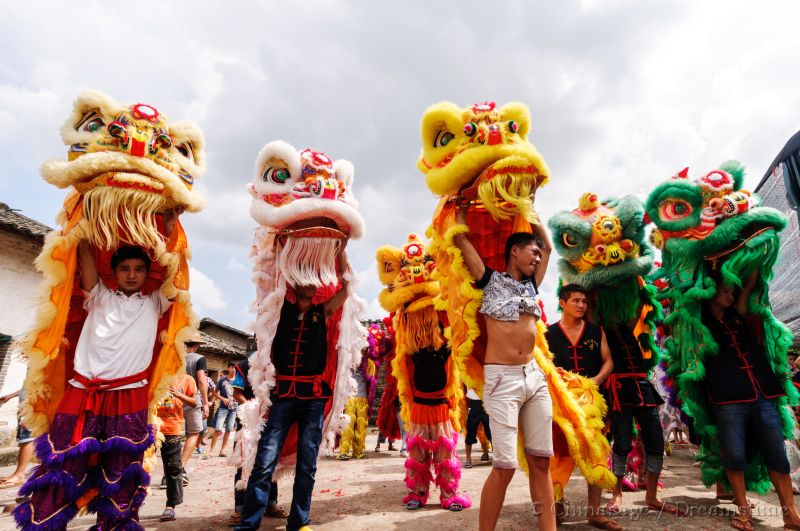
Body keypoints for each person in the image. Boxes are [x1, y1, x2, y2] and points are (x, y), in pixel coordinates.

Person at [14, 243, 172, 530]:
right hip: (83, 391)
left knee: (122, 470)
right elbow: (85, 254)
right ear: (113, 272)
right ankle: (44, 524)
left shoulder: (155, 302)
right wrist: (84, 228)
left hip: (130, 394)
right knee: (63, 464)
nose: (132, 275)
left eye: (139, 269)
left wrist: (171, 227)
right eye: (125, 269)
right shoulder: (98, 295)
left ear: (148, 274)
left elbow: (175, 267)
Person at [453, 205, 556, 531]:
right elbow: (461, 240)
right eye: (532, 252)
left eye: (539, 255)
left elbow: (549, 246)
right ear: (515, 250)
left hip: (534, 377)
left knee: (541, 461)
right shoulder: (488, 279)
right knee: (505, 466)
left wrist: (530, 206)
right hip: (502, 380)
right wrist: (460, 208)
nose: (538, 258)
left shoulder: (532, 286)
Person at [234, 245, 351, 531]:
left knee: (307, 463)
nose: (311, 282)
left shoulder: (323, 311)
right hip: (283, 396)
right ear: (294, 280)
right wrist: (280, 247)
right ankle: (249, 523)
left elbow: (347, 286)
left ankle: (299, 522)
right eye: (305, 276)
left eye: (315, 276)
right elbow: (269, 278)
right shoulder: (278, 310)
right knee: (264, 461)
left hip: (313, 397)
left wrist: (339, 250)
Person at [702, 274, 800, 531]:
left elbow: (746, 290)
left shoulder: (738, 314)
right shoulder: (699, 322)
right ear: (711, 292)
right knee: (734, 454)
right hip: (727, 396)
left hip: (762, 392)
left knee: (777, 453)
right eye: (726, 291)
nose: (731, 295)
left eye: (733, 291)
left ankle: (790, 515)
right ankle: (743, 511)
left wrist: (757, 255)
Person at [545, 284, 620, 530]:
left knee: (595, 454)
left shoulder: (596, 331)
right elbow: (543, 368)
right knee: (558, 455)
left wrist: (596, 381)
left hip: (591, 404)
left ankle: (595, 513)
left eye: (584, 302)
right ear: (562, 302)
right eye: (576, 301)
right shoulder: (548, 333)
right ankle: (555, 505)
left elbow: (608, 361)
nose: (581, 305)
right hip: (560, 406)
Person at [227, 358, 286, 526]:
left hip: (270, 420)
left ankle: (270, 504)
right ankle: (240, 509)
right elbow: (237, 393)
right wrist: (253, 410)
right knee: (244, 463)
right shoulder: (243, 366)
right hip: (247, 421)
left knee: (271, 462)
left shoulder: (276, 362)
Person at [156, 372, 197, 522]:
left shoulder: (187, 379)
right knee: (140, 467)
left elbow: (194, 402)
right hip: (150, 427)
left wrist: (178, 395)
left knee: (173, 467)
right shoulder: (155, 373)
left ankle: (170, 505)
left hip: (172, 428)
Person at [181, 335, 209, 480]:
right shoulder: (199, 358)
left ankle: (169, 472)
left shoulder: (176, 356)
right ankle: (180, 468)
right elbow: (201, 381)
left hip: (173, 398)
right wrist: (205, 403)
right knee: (194, 433)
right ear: (197, 345)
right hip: (192, 398)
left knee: (172, 436)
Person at [0, 388, 34, 489]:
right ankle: (18, 473)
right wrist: (12, 395)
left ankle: (19, 474)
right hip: (27, 402)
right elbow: (29, 382)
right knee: (24, 437)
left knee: (27, 437)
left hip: (33, 403)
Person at [211, 363, 238, 457]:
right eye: (232, 367)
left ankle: (222, 451)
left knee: (229, 429)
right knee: (218, 429)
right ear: (229, 368)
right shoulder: (222, 380)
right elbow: (214, 393)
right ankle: (211, 451)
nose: (234, 369)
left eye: (235, 368)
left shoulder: (239, 380)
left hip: (234, 409)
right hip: (223, 408)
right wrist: (223, 399)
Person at [464, 388, 491, 468]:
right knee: (470, 432)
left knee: (492, 432)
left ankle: (497, 457)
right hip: (474, 403)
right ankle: (468, 459)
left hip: (488, 401)